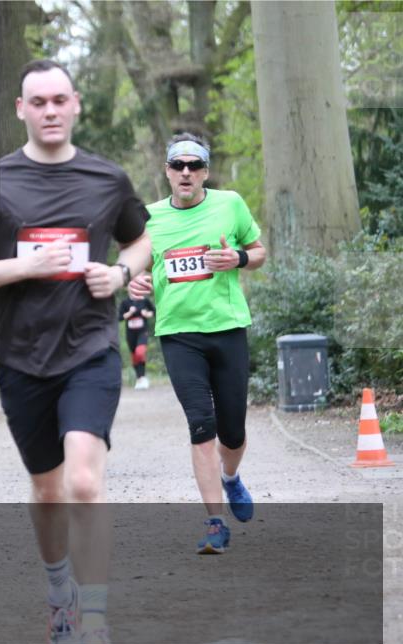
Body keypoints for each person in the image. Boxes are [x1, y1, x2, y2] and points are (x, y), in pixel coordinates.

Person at [0, 59, 151, 644]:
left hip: (90, 349)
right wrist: (23, 266)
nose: (51, 111)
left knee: (84, 481)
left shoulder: (107, 178)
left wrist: (120, 272)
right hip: (21, 359)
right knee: (46, 488)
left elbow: (141, 240)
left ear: (76, 103)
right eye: (39, 102)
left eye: (60, 99)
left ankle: (96, 623)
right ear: (21, 110)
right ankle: (60, 593)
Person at [128, 132, 266, 555]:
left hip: (228, 328)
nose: (185, 172)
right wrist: (135, 281)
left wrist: (238, 258)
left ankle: (230, 477)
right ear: (167, 172)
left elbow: (259, 251)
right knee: (201, 426)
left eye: (194, 165)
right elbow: (135, 265)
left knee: (233, 432)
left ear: (206, 171)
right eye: (178, 165)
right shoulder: (148, 218)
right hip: (179, 334)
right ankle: (215, 523)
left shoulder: (230, 204)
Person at [117, 296, 155, 389]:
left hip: (142, 332)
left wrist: (146, 314)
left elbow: (154, 312)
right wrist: (130, 312)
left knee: (140, 352)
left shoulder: (144, 300)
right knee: (134, 356)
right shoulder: (125, 302)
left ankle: (142, 378)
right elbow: (120, 318)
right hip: (130, 334)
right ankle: (140, 378)